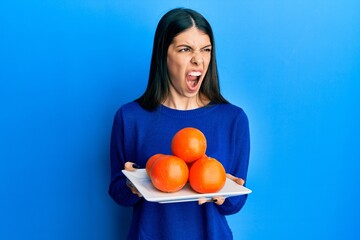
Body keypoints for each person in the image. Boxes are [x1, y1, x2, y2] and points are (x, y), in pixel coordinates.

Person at [109, 8, 250, 240]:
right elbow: (117, 192)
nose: (198, 59)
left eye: (206, 50)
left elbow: (235, 203)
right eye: (185, 49)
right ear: (163, 54)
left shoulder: (233, 120)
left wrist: (226, 193)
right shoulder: (130, 117)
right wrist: (131, 185)